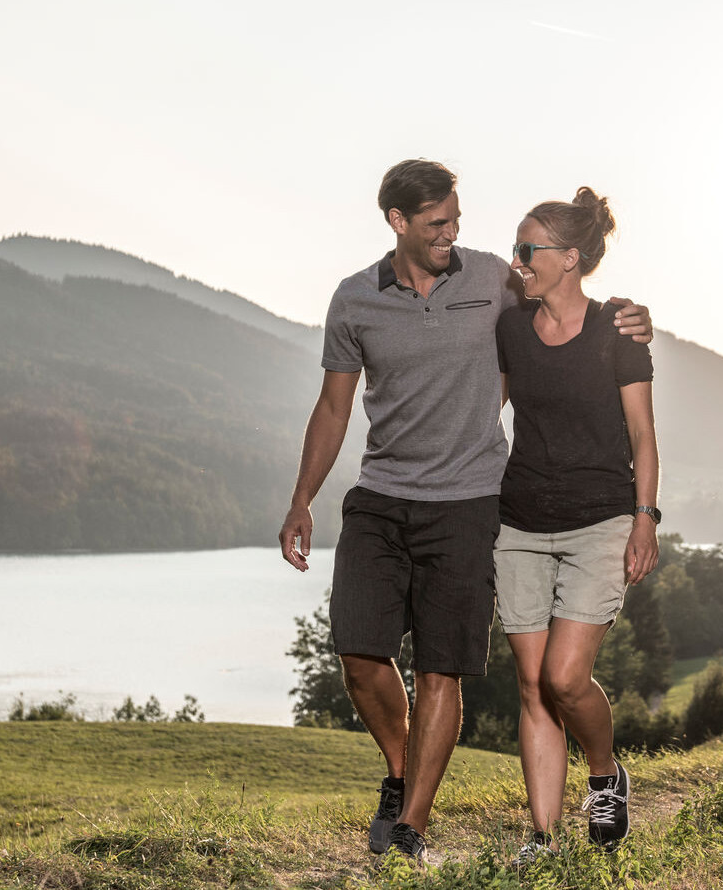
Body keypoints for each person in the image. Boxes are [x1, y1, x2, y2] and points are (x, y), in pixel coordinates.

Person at [279, 160, 651, 864]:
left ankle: (411, 828)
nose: (452, 233)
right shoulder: (355, 299)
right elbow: (333, 406)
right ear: (398, 222)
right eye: (436, 223)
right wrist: (302, 497)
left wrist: (636, 317)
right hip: (381, 495)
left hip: (471, 501)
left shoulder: (492, 279)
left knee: (442, 670)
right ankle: (401, 772)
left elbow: (570, 300)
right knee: (359, 655)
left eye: (455, 218)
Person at [495, 187, 658, 864]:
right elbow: (484, 413)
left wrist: (644, 519)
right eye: (516, 248)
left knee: (565, 678)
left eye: (528, 249)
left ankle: (604, 773)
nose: (517, 261)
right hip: (520, 524)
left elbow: (643, 436)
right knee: (532, 686)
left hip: (600, 522)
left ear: (568, 258)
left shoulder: (617, 330)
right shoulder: (509, 328)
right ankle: (542, 837)